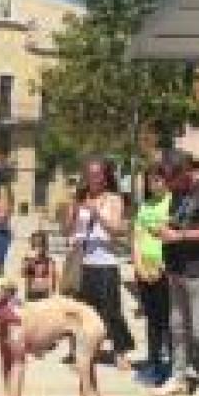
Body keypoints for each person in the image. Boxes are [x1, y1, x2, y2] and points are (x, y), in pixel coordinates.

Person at [153, 152, 199, 396]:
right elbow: (180, 222)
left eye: (171, 180)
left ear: (185, 172)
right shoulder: (178, 192)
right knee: (177, 326)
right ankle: (178, 377)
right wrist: (165, 228)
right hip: (177, 268)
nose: (169, 186)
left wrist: (180, 236)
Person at [66, 158, 133, 370]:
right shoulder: (79, 198)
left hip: (105, 262)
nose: (92, 178)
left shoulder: (114, 199)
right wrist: (72, 214)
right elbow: (68, 230)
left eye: (97, 174)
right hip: (82, 261)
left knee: (110, 310)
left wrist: (97, 214)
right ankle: (86, 351)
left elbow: (117, 230)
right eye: (89, 174)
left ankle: (120, 351)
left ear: (105, 177)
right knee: (84, 310)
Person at [132, 161, 173, 387]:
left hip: (164, 270)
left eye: (157, 179)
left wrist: (162, 266)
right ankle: (154, 362)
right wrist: (138, 266)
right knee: (152, 320)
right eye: (150, 180)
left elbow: (172, 236)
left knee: (168, 321)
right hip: (145, 270)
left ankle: (171, 367)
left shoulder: (172, 203)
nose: (153, 184)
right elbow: (137, 237)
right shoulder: (145, 205)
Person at [21, 231, 56, 301]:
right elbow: (23, 274)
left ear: (45, 247)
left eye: (40, 245)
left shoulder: (48, 261)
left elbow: (53, 278)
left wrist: (52, 289)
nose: (37, 248)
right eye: (34, 245)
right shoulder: (28, 259)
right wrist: (28, 263)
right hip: (32, 293)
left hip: (44, 292)